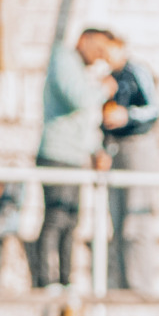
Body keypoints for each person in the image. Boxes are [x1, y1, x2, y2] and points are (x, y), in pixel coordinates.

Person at [34, 29, 116, 288]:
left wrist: (96, 150)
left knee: (71, 222)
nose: (100, 57)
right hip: (56, 154)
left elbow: (81, 121)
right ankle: (46, 281)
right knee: (56, 218)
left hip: (73, 157)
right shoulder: (62, 59)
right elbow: (78, 100)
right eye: (99, 49)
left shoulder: (77, 69)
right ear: (84, 40)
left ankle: (66, 282)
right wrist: (103, 89)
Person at [102, 35, 159, 293]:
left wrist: (127, 116)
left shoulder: (137, 71)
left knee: (137, 220)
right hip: (116, 149)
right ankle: (119, 284)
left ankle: (140, 286)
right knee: (116, 221)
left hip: (138, 147)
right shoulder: (107, 79)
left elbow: (155, 108)